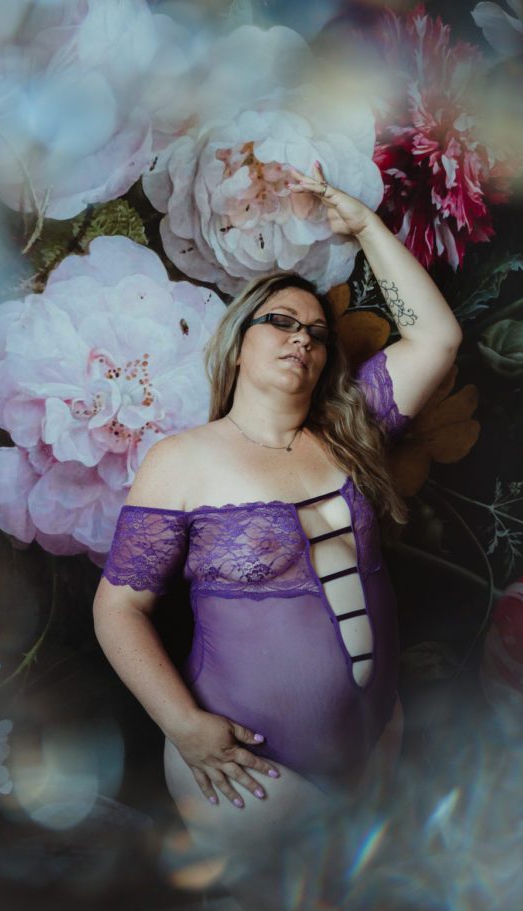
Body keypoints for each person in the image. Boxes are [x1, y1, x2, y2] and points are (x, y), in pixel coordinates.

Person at [93, 163, 462, 874]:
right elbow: (119, 608)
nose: (303, 339)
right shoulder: (182, 460)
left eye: (318, 333)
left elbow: (437, 340)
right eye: (282, 323)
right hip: (244, 767)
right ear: (239, 339)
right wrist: (183, 726)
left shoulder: (353, 431)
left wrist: (365, 227)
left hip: (372, 745)